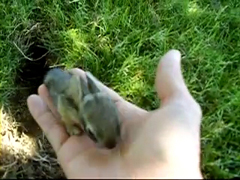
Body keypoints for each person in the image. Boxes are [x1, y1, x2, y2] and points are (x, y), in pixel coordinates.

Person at [27, 49, 203, 178]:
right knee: (50, 84)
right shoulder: (70, 101)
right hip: (58, 82)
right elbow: (65, 106)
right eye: (91, 132)